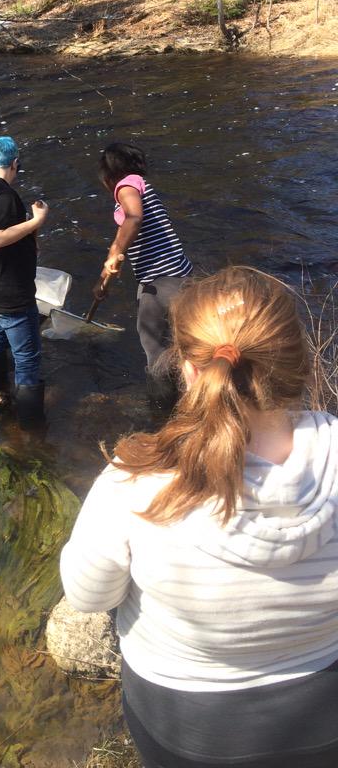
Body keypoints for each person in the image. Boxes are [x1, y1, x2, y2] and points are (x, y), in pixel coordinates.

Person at [60, 266, 338, 768]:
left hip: (185, 729)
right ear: (299, 364)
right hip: (324, 718)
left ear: (189, 370)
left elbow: (87, 596)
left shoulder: (135, 481)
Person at [95, 141, 192, 408]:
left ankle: (162, 411)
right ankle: (194, 401)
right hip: (179, 275)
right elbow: (121, 246)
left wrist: (115, 251)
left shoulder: (126, 185)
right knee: (183, 343)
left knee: (154, 347)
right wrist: (103, 281)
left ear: (109, 174)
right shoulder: (138, 188)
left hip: (161, 279)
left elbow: (134, 218)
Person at [0, 135, 48, 425]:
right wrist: (36, 221)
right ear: (15, 163)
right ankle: (31, 428)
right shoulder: (5, 197)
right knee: (27, 357)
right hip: (13, 292)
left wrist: (30, 235)